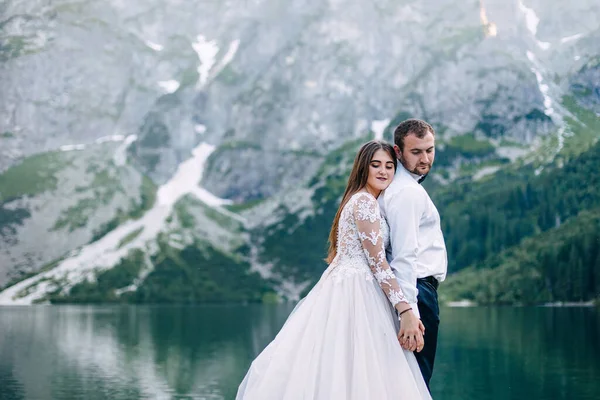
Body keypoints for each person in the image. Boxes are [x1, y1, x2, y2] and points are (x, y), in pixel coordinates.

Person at [236, 140, 431, 400]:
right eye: (376, 165)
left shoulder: (358, 200)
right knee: (362, 368)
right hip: (358, 292)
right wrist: (405, 308)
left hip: (346, 287)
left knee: (343, 367)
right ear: (363, 168)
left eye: (389, 166)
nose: (383, 171)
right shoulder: (364, 202)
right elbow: (377, 263)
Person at [378, 119, 448, 390]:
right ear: (398, 152)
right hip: (418, 292)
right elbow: (404, 258)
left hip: (413, 292)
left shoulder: (401, 187)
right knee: (416, 383)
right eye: (416, 152)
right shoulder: (407, 192)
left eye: (429, 150)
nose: (425, 158)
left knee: (405, 382)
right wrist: (410, 312)